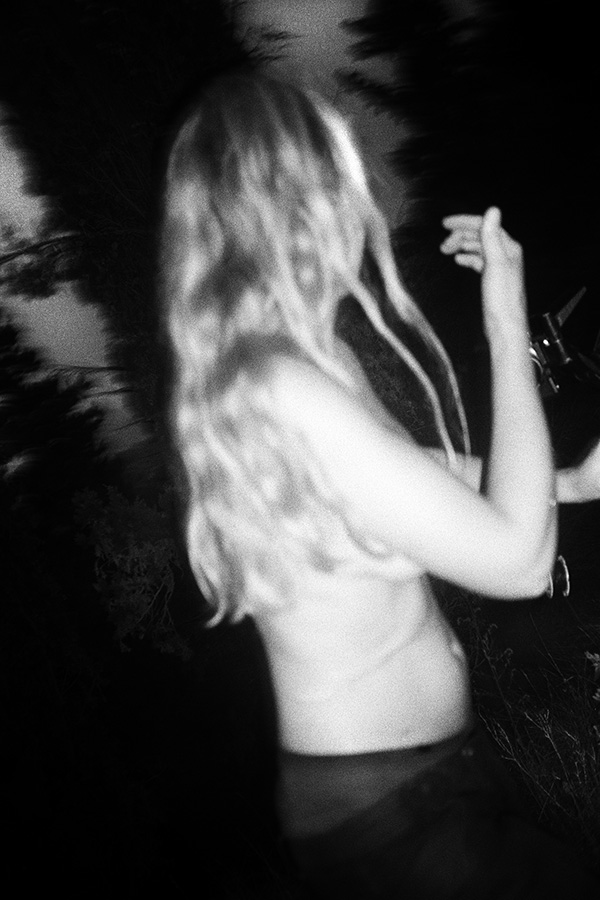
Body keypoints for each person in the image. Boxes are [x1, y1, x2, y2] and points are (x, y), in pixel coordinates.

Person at [159, 69, 600, 898]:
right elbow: (518, 562)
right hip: (394, 821)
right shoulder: (278, 387)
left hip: (421, 786)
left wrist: (570, 482)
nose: (360, 212)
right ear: (294, 202)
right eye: (341, 182)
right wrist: (506, 320)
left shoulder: (305, 359)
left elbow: (409, 470)